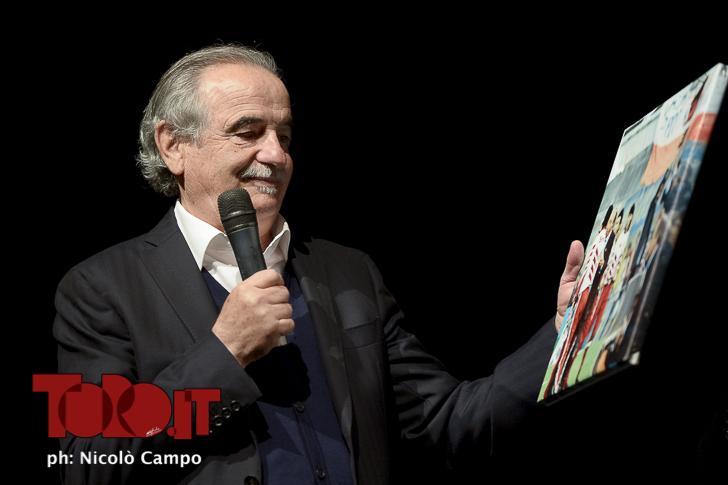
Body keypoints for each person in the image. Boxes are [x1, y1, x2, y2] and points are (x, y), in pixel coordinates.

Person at [53, 44, 584, 485]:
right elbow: (84, 460)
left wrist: (566, 333)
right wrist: (224, 353)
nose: (276, 155)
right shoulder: (100, 288)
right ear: (173, 146)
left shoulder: (348, 273)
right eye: (248, 131)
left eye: (283, 137)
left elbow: (450, 423)